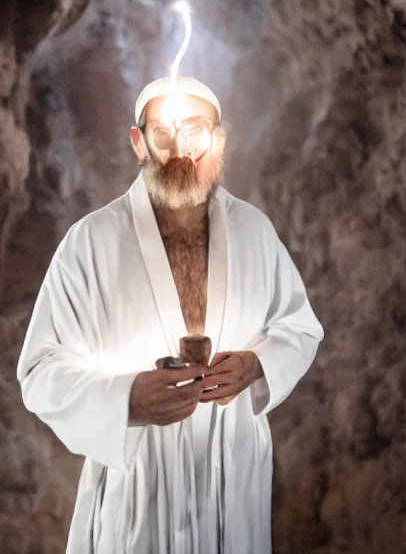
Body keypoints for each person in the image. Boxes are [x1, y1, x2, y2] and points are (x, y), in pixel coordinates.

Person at [17, 74, 324, 554]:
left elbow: (300, 327)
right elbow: (39, 370)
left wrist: (257, 363)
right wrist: (125, 397)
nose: (180, 148)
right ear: (138, 143)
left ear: (219, 138)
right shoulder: (90, 242)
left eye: (196, 130)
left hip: (233, 474)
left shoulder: (254, 231)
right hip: (137, 490)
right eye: (162, 133)